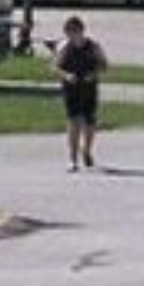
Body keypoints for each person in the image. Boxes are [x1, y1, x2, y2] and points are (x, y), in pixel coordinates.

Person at [52, 15, 105, 170]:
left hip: (89, 86)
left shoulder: (93, 46)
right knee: (73, 121)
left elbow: (104, 64)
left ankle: (87, 150)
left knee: (89, 121)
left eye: (76, 30)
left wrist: (93, 74)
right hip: (71, 87)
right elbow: (54, 67)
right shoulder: (63, 47)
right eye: (69, 31)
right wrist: (66, 75)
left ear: (82, 30)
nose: (73, 34)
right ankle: (72, 157)